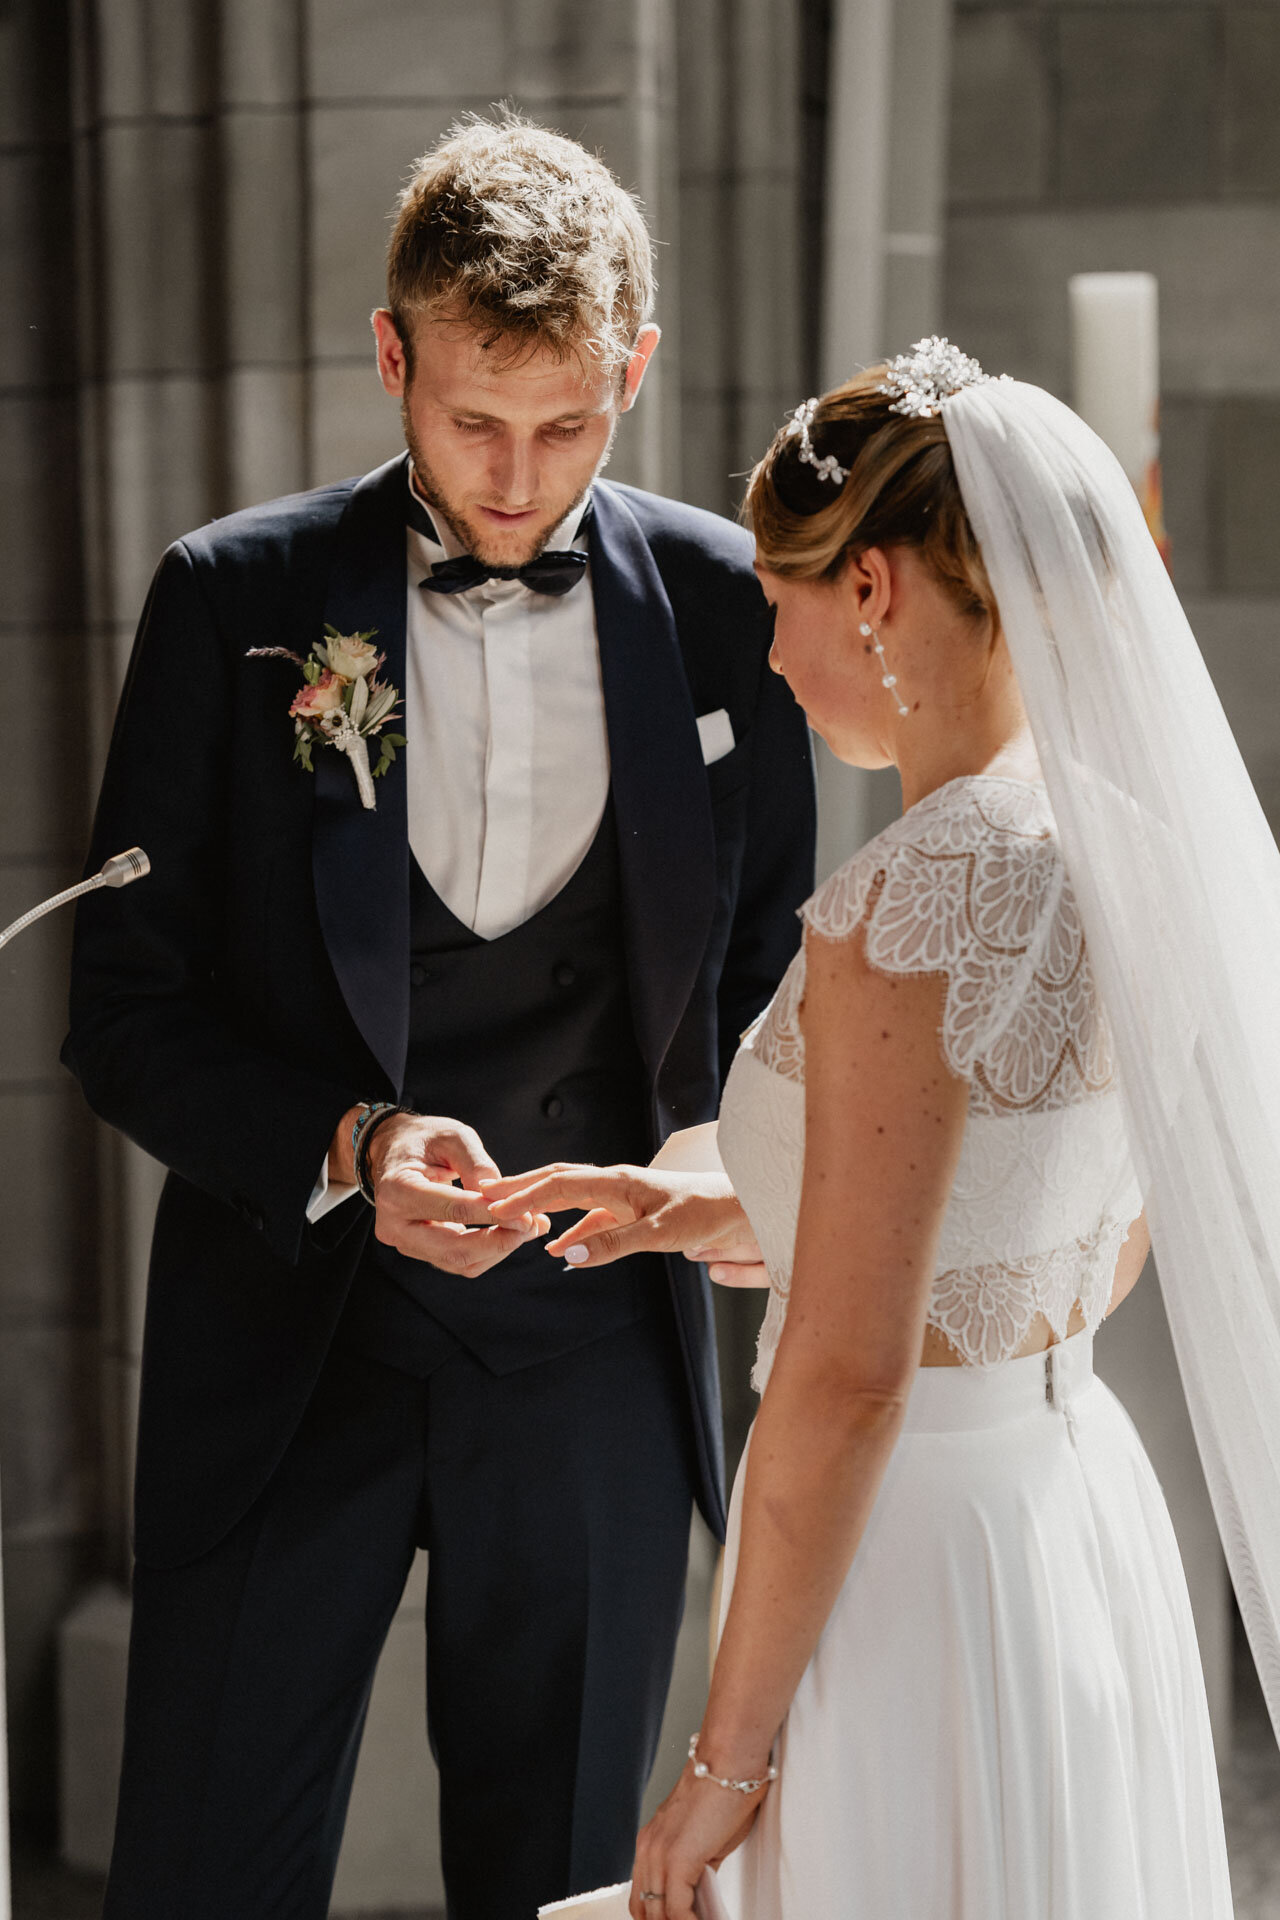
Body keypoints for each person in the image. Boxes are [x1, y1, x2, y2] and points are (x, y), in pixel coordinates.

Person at [62, 113, 815, 1919]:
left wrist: (710, 1163)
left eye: (570, 425)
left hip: (590, 1367)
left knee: (562, 1883)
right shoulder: (231, 604)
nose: (516, 477)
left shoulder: (730, 608)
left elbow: (763, 987)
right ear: (391, 354)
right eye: (474, 421)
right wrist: (347, 1145)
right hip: (287, 1341)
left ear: (633, 368)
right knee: (205, 1873)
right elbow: (122, 1006)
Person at [487, 339, 1280, 1917]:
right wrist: (712, 1199)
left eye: (781, 599)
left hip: (902, 1560)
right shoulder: (1131, 843)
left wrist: (719, 1773)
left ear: (873, 587)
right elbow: (1075, 1238)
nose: (769, 654)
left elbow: (847, 1381)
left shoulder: (915, 899)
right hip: (1066, 1519)